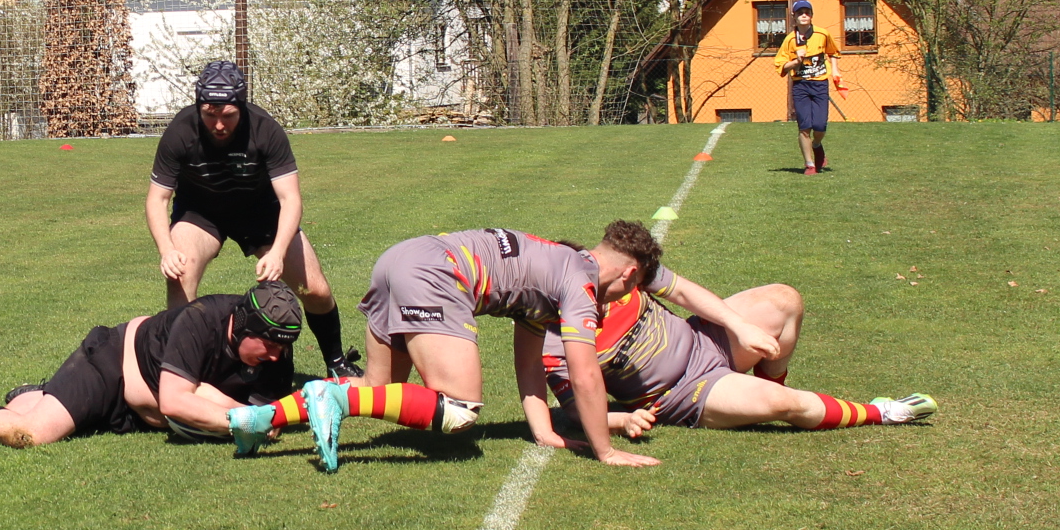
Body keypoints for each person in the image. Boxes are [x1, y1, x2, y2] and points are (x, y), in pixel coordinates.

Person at [352, 220, 779, 472]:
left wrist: (544, 432)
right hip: (435, 273)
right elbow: (586, 374)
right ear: (629, 275)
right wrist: (606, 451)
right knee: (460, 409)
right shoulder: (578, 286)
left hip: (402, 255)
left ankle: (307, 402)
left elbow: (529, 365)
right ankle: (331, 398)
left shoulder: (555, 271)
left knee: (378, 387)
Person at [0, 280, 310, 449]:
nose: (276, 356)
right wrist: (247, 419)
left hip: (138, 412)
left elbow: (267, 419)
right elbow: (177, 402)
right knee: (31, 434)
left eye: (284, 347)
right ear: (242, 324)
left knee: (208, 397)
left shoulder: (278, 351)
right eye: (269, 345)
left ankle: (38, 394)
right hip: (112, 366)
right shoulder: (200, 319)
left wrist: (266, 418)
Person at [145, 60, 354, 374]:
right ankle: (179, 372)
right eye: (209, 114)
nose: (218, 125)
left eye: (228, 115)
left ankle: (337, 364)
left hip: (260, 212)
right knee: (179, 275)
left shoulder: (265, 129)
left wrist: (278, 252)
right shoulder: (180, 131)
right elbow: (157, 199)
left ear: (242, 107)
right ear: (198, 106)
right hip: (201, 212)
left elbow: (290, 199)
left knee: (315, 290)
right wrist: (167, 250)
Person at [542, 279, 936, 434]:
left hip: (705, 338)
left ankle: (767, 384)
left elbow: (683, 292)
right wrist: (623, 419)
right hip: (686, 392)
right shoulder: (556, 342)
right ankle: (883, 411)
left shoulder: (616, 274)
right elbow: (576, 412)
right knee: (787, 405)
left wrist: (739, 326)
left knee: (784, 299)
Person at [775, 0, 844, 175]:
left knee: (820, 126)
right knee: (804, 126)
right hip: (800, 85)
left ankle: (817, 145)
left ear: (812, 15)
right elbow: (781, 66)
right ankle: (809, 164)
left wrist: (835, 70)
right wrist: (796, 61)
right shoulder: (790, 40)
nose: (804, 15)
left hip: (820, 83)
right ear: (794, 16)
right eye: (800, 13)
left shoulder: (822, 34)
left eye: (807, 12)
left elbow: (833, 52)